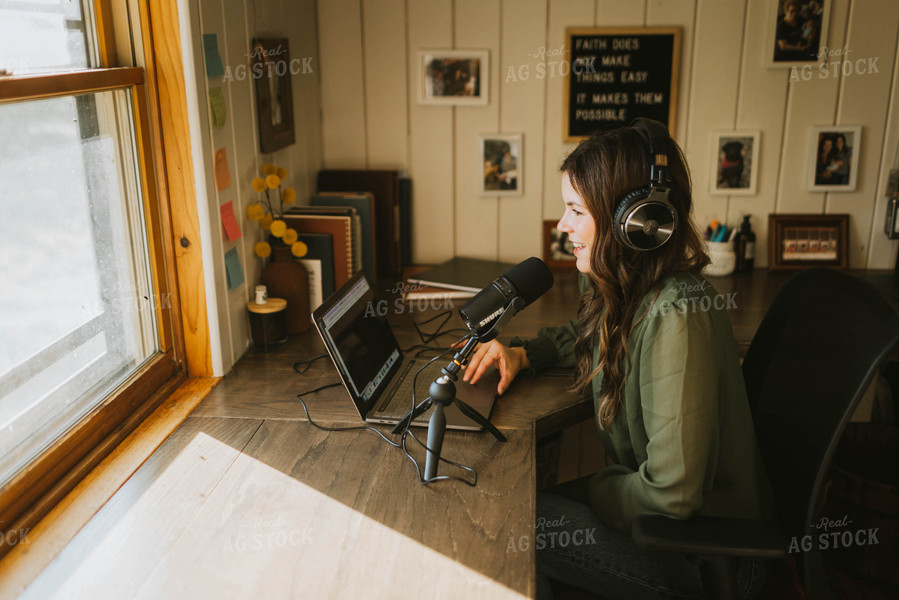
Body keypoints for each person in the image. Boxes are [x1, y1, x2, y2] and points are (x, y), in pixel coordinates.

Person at [462, 122, 775, 599]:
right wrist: (525, 353)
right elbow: (585, 332)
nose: (563, 225)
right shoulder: (626, 285)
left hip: (708, 555)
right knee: (512, 508)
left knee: (509, 522)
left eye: (574, 210)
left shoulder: (676, 316)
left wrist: (599, 487)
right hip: (662, 517)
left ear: (638, 221)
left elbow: (672, 495)